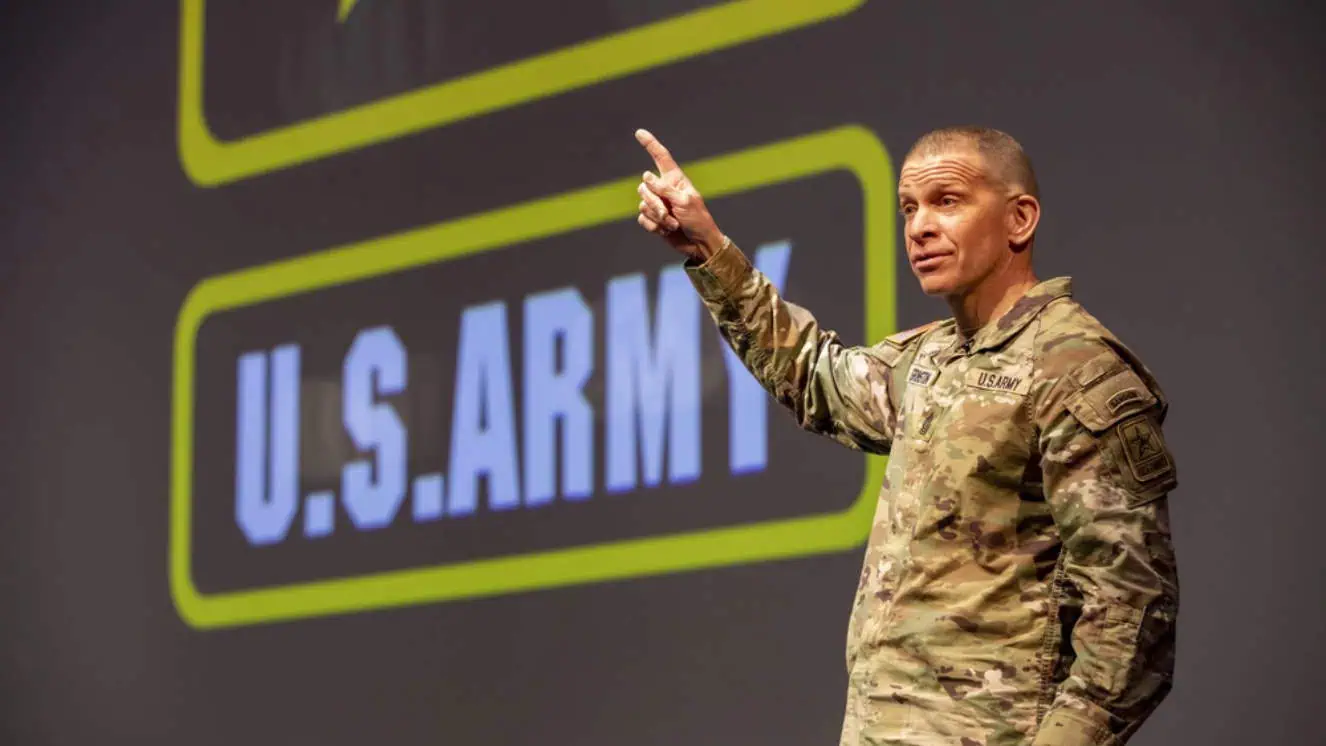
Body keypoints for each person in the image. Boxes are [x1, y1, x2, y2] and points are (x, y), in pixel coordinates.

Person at [633, 125, 1180, 746]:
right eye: (909, 208)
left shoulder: (1073, 368)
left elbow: (1134, 610)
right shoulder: (932, 358)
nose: (919, 226)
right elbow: (815, 376)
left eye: (948, 200)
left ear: (1019, 218)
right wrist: (708, 248)